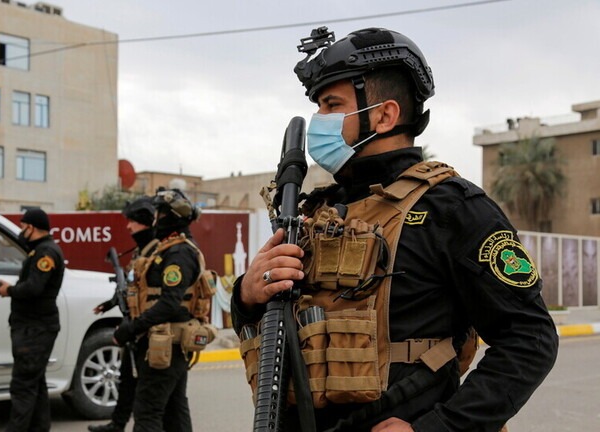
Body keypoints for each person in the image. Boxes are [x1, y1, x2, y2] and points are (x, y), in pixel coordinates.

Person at [232, 27, 559, 432]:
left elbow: (530, 339)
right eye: (318, 107)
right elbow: (276, 332)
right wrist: (247, 296)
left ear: (384, 115)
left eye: (332, 105)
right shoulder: (314, 211)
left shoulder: (452, 208)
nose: (319, 120)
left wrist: (438, 427)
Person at [113, 188, 202, 432]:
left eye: (159, 214)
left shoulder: (179, 253)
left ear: (172, 216)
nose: (155, 220)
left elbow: (169, 304)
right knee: (174, 412)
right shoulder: (170, 248)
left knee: (147, 412)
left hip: (166, 344)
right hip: (165, 342)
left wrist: (130, 329)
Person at [89, 196, 157, 432]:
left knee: (147, 396)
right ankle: (117, 424)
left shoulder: (156, 251)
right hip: (133, 324)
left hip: (147, 329)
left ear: (144, 222)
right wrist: (110, 304)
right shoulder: (141, 251)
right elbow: (130, 288)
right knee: (126, 378)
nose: (128, 227)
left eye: (132, 221)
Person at [0, 208, 65, 432]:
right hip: (33, 327)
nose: (21, 231)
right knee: (35, 383)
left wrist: (9, 290)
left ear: (31, 227)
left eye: (23, 227)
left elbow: (34, 288)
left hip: (35, 329)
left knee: (23, 386)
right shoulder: (40, 250)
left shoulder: (46, 253)